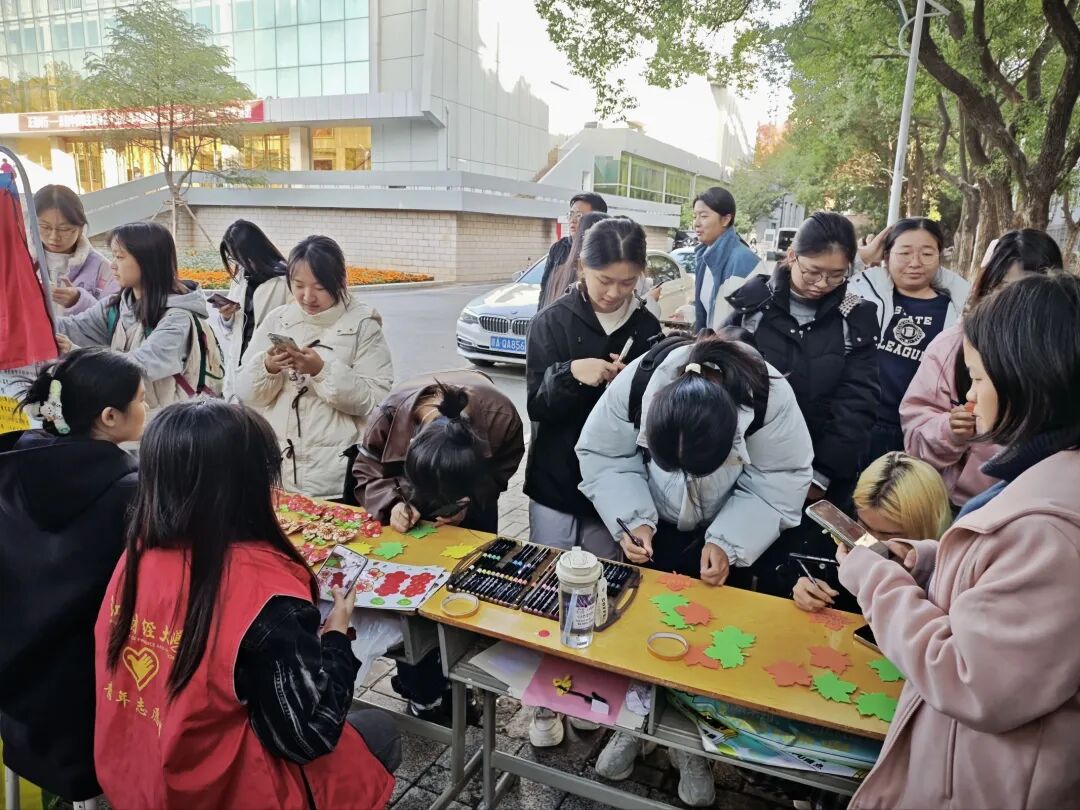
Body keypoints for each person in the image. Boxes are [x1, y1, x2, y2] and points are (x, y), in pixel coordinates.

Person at [839, 273, 1080, 808]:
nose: (969, 395)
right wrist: (925, 560)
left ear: (1027, 378)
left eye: (977, 377)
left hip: (986, 785)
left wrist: (875, 579)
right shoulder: (1044, 479)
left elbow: (971, 679)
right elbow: (1000, 586)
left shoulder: (1049, 529)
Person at [93, 400, 398, 809]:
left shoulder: (136, 556)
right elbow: (309, 736)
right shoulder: (264, 594)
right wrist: (337, 637)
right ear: (251, 482)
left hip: (138, 778)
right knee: (381, 729)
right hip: (224, 792)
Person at [576, 334, 812, 806]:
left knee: (706, 643)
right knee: (639, 627)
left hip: (728, 524)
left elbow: (779, 479)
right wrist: (634, 520)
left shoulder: (770, 397)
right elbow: (606, 455)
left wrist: (729, 542)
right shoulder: (640, 380)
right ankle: (634, 725)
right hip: (653, 522)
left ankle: (690, 746)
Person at [524, 216, 663, 748]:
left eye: (627, 282)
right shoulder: (553, 322)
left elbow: (654, 417)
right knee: (547, 588)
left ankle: (586, 692)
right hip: (557, 480)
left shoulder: (647, 329)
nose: (614, 292)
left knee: (603, 591)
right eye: (605, 280)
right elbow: (537, 405)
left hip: (616, 486)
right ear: (582, 267)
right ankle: (542, 703)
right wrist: (572, 374)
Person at [0, 348, 146, 803]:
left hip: (16, 691)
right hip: (86, 700)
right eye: (141, 399)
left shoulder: (13, 467)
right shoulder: (130, 493)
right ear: (109, 417)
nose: (146, 408)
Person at [352, 375, 523, 722]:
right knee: (414, 604)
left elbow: (506, 463)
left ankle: (470, 676)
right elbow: (365, 471)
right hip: (409, 510)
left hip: (473, 506)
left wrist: (471, 500)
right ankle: (425, 692)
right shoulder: (389, 417)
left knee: (472, 593)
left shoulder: (501, 417)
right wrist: (393, 504)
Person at [725, 212, 880, 596]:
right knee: (740, 564)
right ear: (792, 256)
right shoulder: (752, 306)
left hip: (821, 471)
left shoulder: (856, 316)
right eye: (813, 272)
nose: (823, 284)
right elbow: (723, 381)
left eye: (836, 275)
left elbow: (858, 401)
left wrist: (822, 473)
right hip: (751, 463)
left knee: (804, 573)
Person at [900, 229, 1064, 509]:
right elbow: (916, 429)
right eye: (1002, 289)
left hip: (1032, 506)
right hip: (954, 504)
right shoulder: (952, 345)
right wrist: (949, 429)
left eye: (1026, 291)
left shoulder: (1064, 354)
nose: (1012, 304)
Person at [235, 235, 394, 499]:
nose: (307, 296)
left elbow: (376, 402)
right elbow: (246, 395)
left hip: (335, 475)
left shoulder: (363, 325)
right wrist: (268, 367)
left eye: (319, 287)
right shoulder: (278, 319)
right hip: (278, 472)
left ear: (340, 281)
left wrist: (321, 371)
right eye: (298, 285)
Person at [55, 222, 215, 414]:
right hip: (130, 422)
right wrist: (31, 321)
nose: (113, 265)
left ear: (148, 261)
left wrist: (74, 351)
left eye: (120, 257)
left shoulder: (177, 320)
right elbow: (73, 328)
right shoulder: (117, 305)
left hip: (167, 425)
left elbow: (137, 367)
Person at [848, 217, 970, 460]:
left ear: (940, 257)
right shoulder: (862, 294)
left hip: (917, 434)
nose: (915, 263)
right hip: (854, 424)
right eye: (904, 253)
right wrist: (862, 256)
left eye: (927, 254)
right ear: (886, 255)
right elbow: (822, 281)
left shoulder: (957, 313)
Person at [791, 451, 951, 614]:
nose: (870, 542)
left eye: (887, 535)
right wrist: (804, 588)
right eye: (864, 526)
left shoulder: (949, 574)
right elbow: (816, 582)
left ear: (925, 526)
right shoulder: (843, 533)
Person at [212, 219, 291, 399]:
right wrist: (227, 316)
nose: (238, 263)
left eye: (240, 257)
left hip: (268, 362)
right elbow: (233, 327)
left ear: (255, 251)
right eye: (234, 258)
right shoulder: (242, 277)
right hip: (240, 358)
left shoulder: (284, 280)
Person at [34, 185, 117, 315]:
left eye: (64, 229)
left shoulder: (102, 269)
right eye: (45, 227)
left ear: (81, 228)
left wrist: (79, 301)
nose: (54, 237)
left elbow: (114, 318)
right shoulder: (21, 262)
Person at [691, 186, 764, 331]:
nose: (696, 223)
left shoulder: (745, 260)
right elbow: (710, 311)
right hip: (711, 343)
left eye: (704, 216)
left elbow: (752, 321)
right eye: (694, 216)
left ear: (725, 219)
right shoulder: (704, 256)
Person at [538, 192, 607, 309]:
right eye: (571, 214)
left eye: (579, 215)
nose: (573, 220)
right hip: (553, 315)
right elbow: (544, 288)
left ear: (597, 220)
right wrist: (541, 315)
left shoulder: (604, 251)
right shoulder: (558, 248)